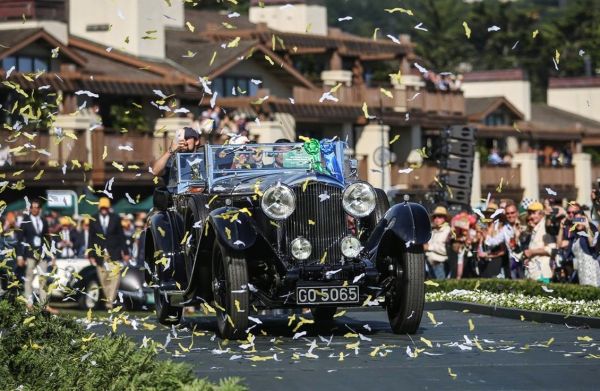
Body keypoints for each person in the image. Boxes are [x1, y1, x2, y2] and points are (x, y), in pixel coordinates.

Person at [87, 197, 130, 309]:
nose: (104, 209)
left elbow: (121, 236)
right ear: (99, 207)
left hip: (114, 252)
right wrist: (90, 254)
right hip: (99, 253)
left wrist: (125, 252)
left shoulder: (115, 218)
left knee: (115, 277)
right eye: (102, 207)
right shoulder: (93, 219)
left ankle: (110, 302)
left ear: (109, 207)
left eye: (106, 207)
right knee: (104, 279)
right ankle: (109, 300)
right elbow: (91, 238)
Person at [17, 198, 57, 312]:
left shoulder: (43, 221)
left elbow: (47, 238)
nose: (34, 209)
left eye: (36, 207)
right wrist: (20, 256)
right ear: (30, 209)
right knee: (29, 278)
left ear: (40, 209)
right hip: (29, 254)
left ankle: (44, 304)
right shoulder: (25, 221)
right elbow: (20, 239)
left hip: (42, 253)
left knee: (43, 279)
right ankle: (29, 303)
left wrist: (52, 255)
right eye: (32, 207)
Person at [523, 201, 556, 282]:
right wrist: (529, 257)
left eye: (534, 213)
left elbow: (551, 250)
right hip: (534, 273)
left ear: (541, 213)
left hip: (543, 273)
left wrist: (532, 252)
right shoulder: (536, 228)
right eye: (530, 213)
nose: (531, 216)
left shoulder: (545, 226)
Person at [568, 214, 600, 287]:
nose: (578, 222)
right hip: (580, 268)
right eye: (576, 220)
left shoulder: (589, 233)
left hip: (590, 268)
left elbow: (592, 243)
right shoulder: (575, 237)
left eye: (581, 220)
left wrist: (587, 226)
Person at [478, 203, 507, 278]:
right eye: (487, 214)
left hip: (496, 262)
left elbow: (503, 251)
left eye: (492, 214)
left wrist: (489, 255)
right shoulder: (483, 228)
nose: (489, 216)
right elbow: (480, 246)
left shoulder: (500, 230)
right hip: (484, 263)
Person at [424, 206, 451, 279]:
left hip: (440, 265)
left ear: (445, 218)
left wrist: (429, 247)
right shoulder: (433, 231)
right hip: (429, 264)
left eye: (439, 216)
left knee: (441, 287)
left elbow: (447, 250)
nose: (436, 219)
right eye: (435, 217)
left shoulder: (448, 231)